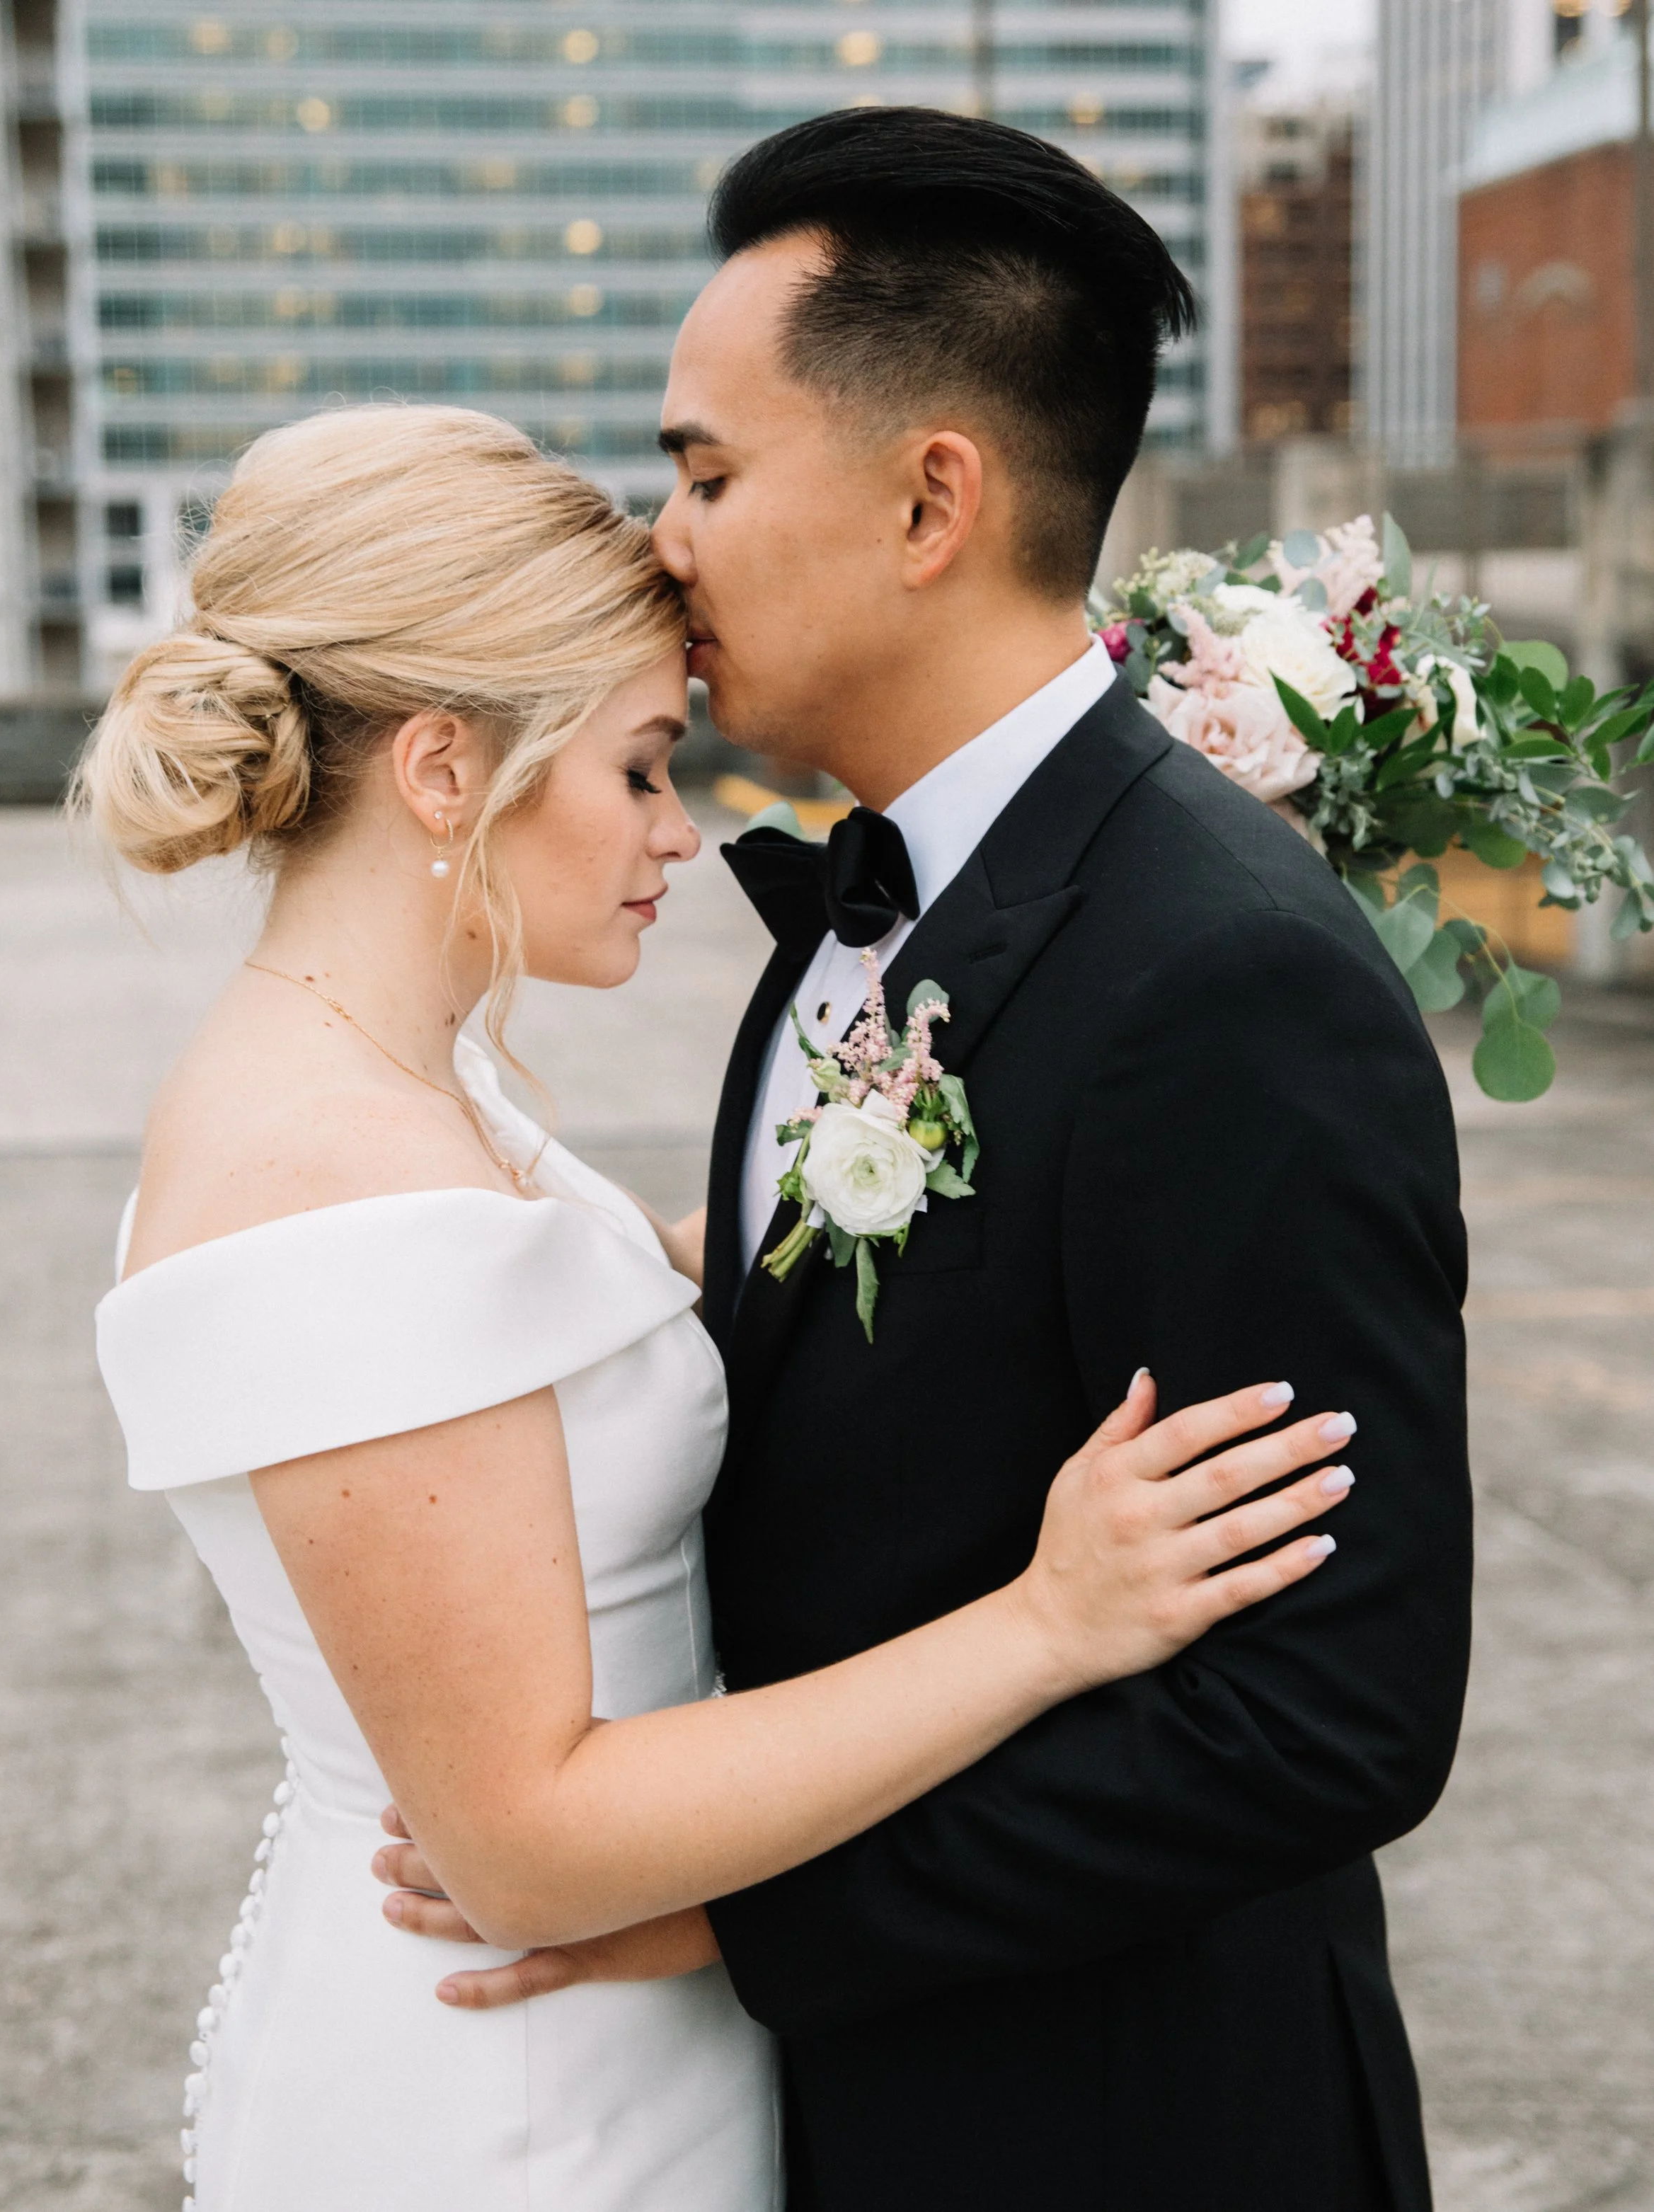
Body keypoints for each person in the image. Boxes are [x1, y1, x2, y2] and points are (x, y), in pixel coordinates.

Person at [81, 401, 1353, 2212]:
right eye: (637, 767)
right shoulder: (330, 1174)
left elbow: (541, 1335)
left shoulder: (394, 1086)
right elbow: (523, 1844)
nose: (676, 836)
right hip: (512, 2087)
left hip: (615, 2052)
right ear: (443, 770)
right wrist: (1050, 1619)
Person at [377, 108, 1471, 2212]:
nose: (659, 542)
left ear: (927, 497)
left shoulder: (1225, 975)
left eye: (704, 472)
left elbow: (1326, 1714)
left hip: (1129, 2122)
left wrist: (733, 1912)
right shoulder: (874, 901)